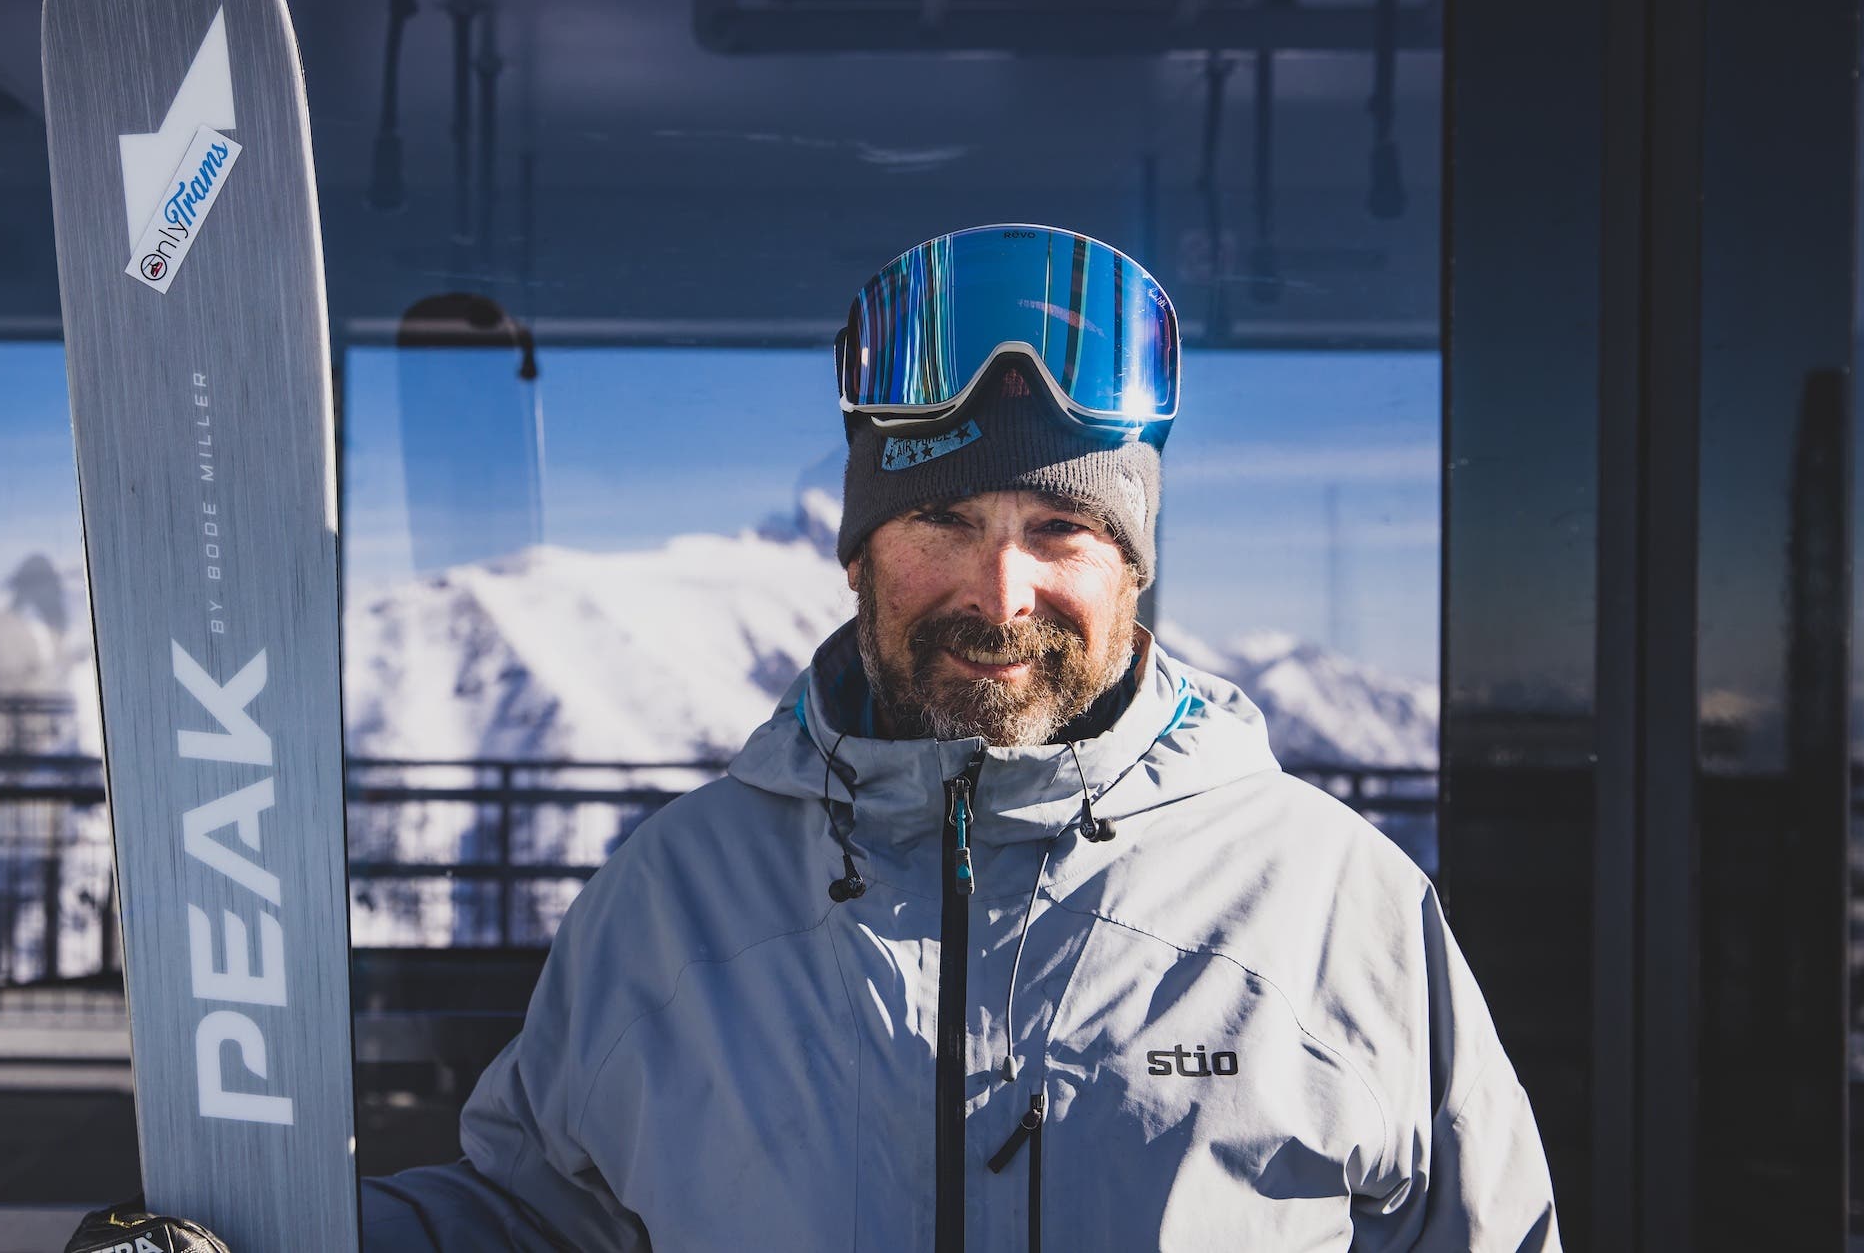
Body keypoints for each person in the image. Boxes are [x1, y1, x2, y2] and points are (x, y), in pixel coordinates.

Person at [115, 224, 1562, 1251]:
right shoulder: (679, 896)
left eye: (1061, 527)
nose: (1003, 592)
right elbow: (539, 1218)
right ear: (862, 548)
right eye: (945, 520)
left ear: (1135, 564)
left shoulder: (1335, 908)